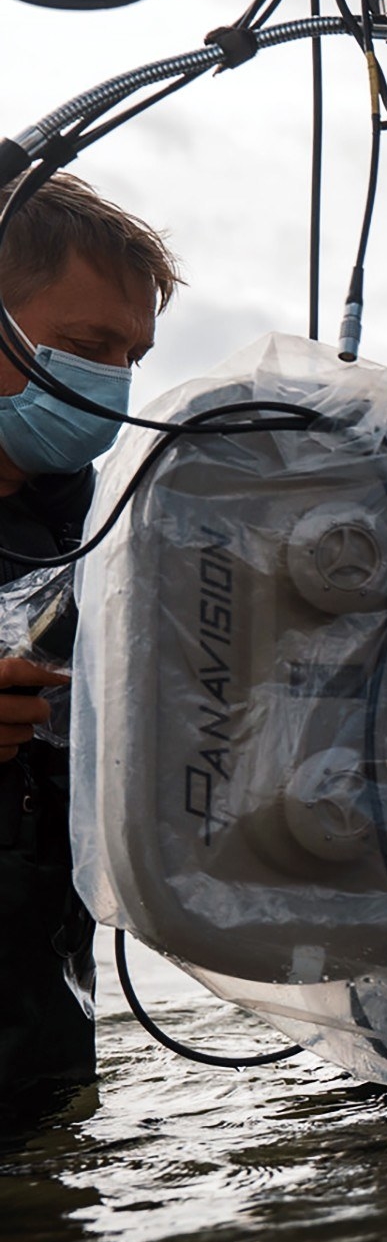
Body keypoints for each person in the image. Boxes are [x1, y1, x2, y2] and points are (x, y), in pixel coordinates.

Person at [0, 173, 172, 1096]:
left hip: (43, 1062)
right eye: (85, 346)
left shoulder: (96, 534)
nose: (112, 385)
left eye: (131, 355)